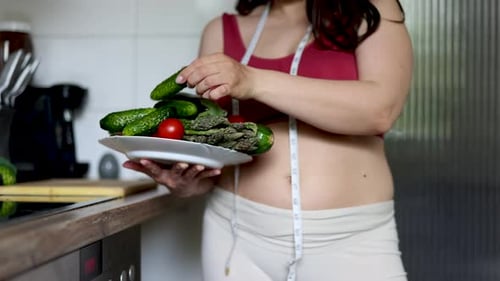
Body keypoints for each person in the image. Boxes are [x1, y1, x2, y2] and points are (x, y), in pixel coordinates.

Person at [124, 0, 413, 280]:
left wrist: (253, 81)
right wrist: (191, 183)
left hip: (351, 240)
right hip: (236, 236)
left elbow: (381, 110)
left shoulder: (369, 8)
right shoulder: (220, 31)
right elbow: (219, 147)